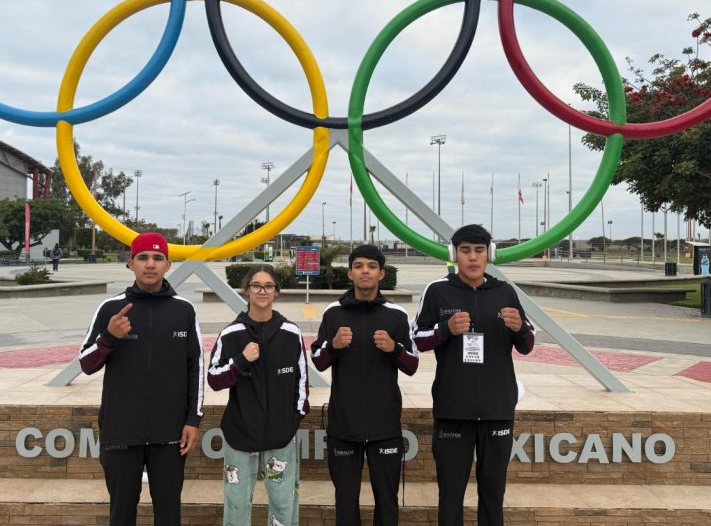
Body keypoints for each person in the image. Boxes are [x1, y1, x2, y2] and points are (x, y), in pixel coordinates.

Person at [77, 232, 203, 526]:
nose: (150, 264)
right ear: (130, 264)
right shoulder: (111, 308)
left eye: (158, 258)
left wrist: (193, 420)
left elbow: (195, 367)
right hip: (121, 431)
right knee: (121, 513)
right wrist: (109, 337)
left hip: (170, 433)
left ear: (168, 265)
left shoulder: (183, 310)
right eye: (143, 257)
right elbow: (86, 364)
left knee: (169, 512)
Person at [412, 225, 534, 526]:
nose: (473, 257)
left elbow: (527, 345)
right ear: (455, 254)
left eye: (479, 250)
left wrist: (519, 327)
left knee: (493, 495)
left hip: (497, 410)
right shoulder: (438, 290)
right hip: (453, 409)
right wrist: (445, 329)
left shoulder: (505, 291)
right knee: (450, 495)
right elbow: (417, 339)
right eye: (465, 250)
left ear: (489, 254)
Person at [311, 244, 418, 526]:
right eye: (359, 266)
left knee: (387, 501)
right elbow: (319, 361)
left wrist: (394, 348)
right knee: (345, 502)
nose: (365, 271)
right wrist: (333, 346)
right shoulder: (333, 313)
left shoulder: (396, 315)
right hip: (343, 427)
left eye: (371, 266)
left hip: (385, 427)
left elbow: (412, 366)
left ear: (382, 273)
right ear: (350, 273)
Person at [207, 265, 308, 526]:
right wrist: (240, 360)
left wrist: (292, 421)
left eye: (268, 286)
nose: (262, 291)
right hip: (240, 435)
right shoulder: (231, 334)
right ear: (247, 291)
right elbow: (214, 379)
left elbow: (302, 383)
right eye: (256, 285)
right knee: (237, 505)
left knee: (284, 505)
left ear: (276, 292)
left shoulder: (291, 333)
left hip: (280, 437)